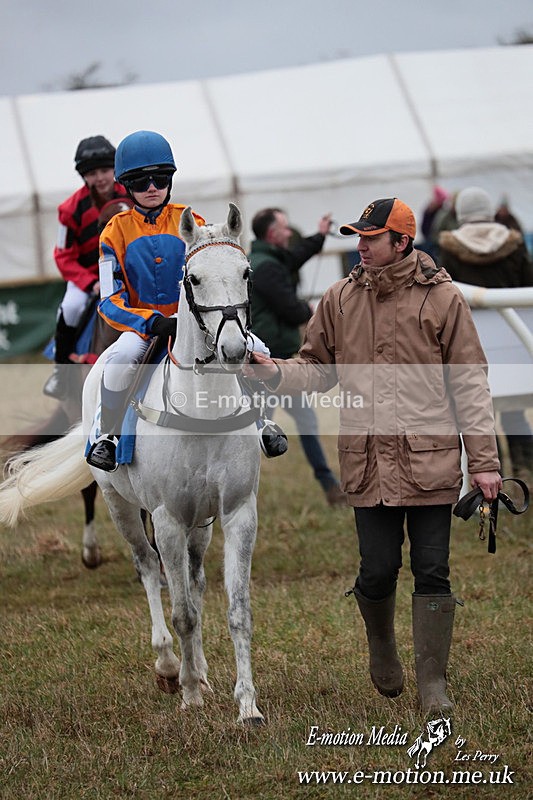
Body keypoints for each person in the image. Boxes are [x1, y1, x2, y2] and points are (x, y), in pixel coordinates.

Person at [249, 197, 502, 712]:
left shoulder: (444, 298)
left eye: (371, 238)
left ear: (401, 242)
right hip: (367, 462)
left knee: (433, 570)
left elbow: (471, 385)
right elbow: (317, 367)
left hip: (429, 459)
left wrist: (485, 463)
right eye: (358, 237)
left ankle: (434, 684)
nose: (359, 246)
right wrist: (275, 371)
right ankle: (382, 647)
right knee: (378, 569)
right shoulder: (339, 297)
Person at [85, 130, 206, 472]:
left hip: (193, 325)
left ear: (171, 180)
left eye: (160, 178)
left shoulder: (194, 222)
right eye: (141, 182)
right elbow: (108, 300)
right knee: (121, 357)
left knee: (251, 345)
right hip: (143, 330)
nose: (152, 187)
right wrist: (150, 322)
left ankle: (261, 425)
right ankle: (107, 435)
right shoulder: (113, 232)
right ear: (126, 185)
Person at [249, 207, 345, 506]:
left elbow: (296, 256)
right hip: (267, 364)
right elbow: (290, 309)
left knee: (285, 423)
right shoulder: (267, 267)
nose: (290, 232)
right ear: (271, 233)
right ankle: (239, 491)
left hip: (277, 364)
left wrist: (320, 234)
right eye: (285, 227)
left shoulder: (270, 260)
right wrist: (310, 311)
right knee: (256, 430)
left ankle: (330, 485)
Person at [439, 186, 533, 482]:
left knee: (479, 413)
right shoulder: (513, 243)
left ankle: (494, 477)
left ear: (460, 213)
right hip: (515, 339)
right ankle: (526, 470)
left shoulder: (450, 246)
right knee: (515, 411)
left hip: (471, 341)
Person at [43, 136, 128, 400]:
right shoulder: (69, 210)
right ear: (84, 177)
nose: (100, 178)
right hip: (88, 277)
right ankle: (62, 372)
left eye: (105, 170)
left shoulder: (132, 195)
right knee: (70, 307)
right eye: (92, 173)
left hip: (126, 271)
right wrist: (91, 282)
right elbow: (63, 255)